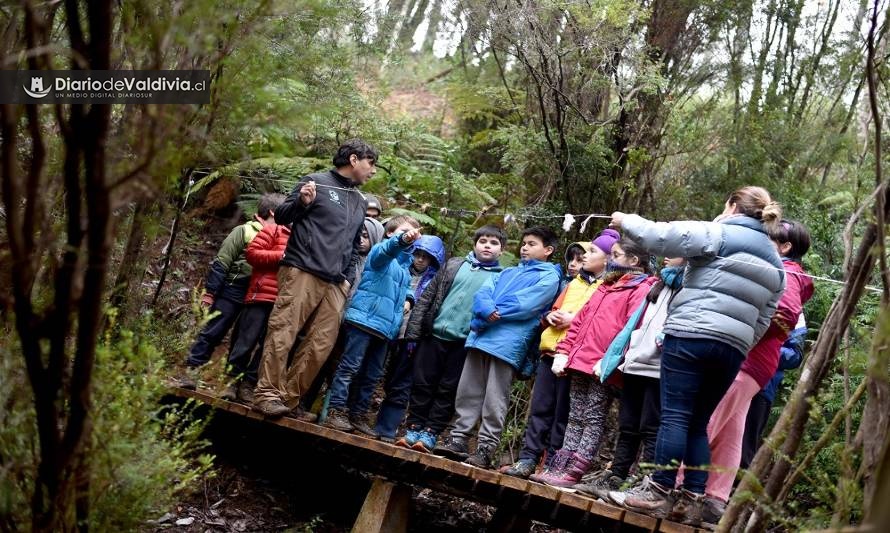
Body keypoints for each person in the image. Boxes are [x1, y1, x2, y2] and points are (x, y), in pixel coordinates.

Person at [610, 186, 785, 523]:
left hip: (690, 334)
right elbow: (766, 317)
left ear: (733, 206)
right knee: (698, 423)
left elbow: (658, 237)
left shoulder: (718, 232)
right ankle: (692, 497)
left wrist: (624, 220)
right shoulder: (776, 264)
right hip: (732, 349)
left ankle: (657, 490)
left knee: (674, 415)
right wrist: (741, 343)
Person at [680, 219, 812, 528]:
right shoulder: (784, 271)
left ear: (785, 246)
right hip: (754, 363)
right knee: (730, 431)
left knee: (706, 421)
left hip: (746, 359)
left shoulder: (786, 272)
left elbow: (785, 315)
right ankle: (715, 498)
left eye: (770, 238)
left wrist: (744, 335)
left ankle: (677, 489)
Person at [252, 139, 377, 419]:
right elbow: (282, 216)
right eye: (371, 163)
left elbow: (355, 244)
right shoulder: (315, 181)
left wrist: (346, 278)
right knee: (283, 331)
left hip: (336, 282)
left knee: (321, 344)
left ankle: (288, 399)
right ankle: (266, 394)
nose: (373, 171)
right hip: (302, 268)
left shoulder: (359, 200)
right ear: (354, 159)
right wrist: (301, 202)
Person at [531, 237, 656, 487]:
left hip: (601, 365)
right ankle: (560, 464)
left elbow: (630, 328)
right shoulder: (605, 285)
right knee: (575, 414)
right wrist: (565, 351)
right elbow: (580, 322)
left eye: (616, 255)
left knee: (592, 416)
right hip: (579, 360)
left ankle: (576, 467)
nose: (611, 259)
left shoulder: (641, 288)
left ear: (634, 261)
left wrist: (610, 360)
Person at [434, 227, 562, 469]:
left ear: (548, 250)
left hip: (508, 343)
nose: (524, 247)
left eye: (532, 244)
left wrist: (493, 311)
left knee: (495, 397)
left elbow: (526, 304)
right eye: (523, 243)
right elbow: (483, 293)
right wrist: (486, 309)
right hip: (482, 336)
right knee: (467, 390)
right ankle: (459, 439)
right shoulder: (507, 272)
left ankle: (485, 448)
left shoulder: (549, 277)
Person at [502, 229, 618, 479]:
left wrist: (573, 320)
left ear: (608, 258)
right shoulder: (573, 283)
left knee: (564, 413)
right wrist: (550, 317)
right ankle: (527, 459)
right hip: (550, 351)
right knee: (540, 408)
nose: (584, 258)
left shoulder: (609, 287)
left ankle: (553, 462)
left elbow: (602, 320)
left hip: (576, 357)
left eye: (590, 252)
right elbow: (552, 310)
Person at [577, 257, 686, 499]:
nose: (667, 254)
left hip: (660, 368)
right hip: (636, 363)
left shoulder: (689, 287)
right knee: (628, 425)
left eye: (674, 250)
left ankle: (643, 482)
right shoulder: (658, 284)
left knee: (651, 427)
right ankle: (616, 476)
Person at [395, 226, 506, 453]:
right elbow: (427, 298)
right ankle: (413, 427)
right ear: (474, 244)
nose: (487, 245)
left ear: (501, 251)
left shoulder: (501, 278)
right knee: (422, 382)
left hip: (463, 343)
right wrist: (413, 335)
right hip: (433, 335)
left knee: (448, 388)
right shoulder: (455, 265)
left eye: (493, 243)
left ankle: (431, 432)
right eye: (483, 240)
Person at [323, 216, 423, 431]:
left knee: (372, 376)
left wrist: (409, 298)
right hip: (363, 320)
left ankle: (357, 414)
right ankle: (335, 410)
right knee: (350, 367)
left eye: (413, 232)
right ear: (389, 233)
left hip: (386, 329)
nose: (410, 235)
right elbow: (387, 252)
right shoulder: (380, 252)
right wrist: (402, 240)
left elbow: (401, 286)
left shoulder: (406, 265)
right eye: (404, 230)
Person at [178, 193, 284, 389]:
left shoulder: (281, 237)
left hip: (257, 295)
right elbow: (222, 261)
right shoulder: (244, 230)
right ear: (272, 212)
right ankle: (191, 372)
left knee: (243, 340)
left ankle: (230, 383)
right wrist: (211, 293)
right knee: (213, 331)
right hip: (232, 289)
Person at [368, 235, 446, 440]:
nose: (420, 260)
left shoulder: (435, 282)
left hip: (411, 339)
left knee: (401, 382)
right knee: (373, 373)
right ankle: (360, 416)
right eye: (417, 254)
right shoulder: (400, 270)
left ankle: (385, 429)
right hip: (386, 329)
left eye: (426, 257)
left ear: (433, 260)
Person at [220, 197, 291, 403]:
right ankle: (231, 382)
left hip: (284, 301)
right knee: (245, 342)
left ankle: (248, 385)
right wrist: (282, 255)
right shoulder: (273, 230)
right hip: (261, 295)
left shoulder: (304, 238)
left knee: (268, 347)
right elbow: (252, 254)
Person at [740, 315, 806, 469]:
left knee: (747, 442)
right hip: (730, 374)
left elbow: (794, 356)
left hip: (763, 387)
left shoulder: (795, 313)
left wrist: (765, 346)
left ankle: (737, 487)